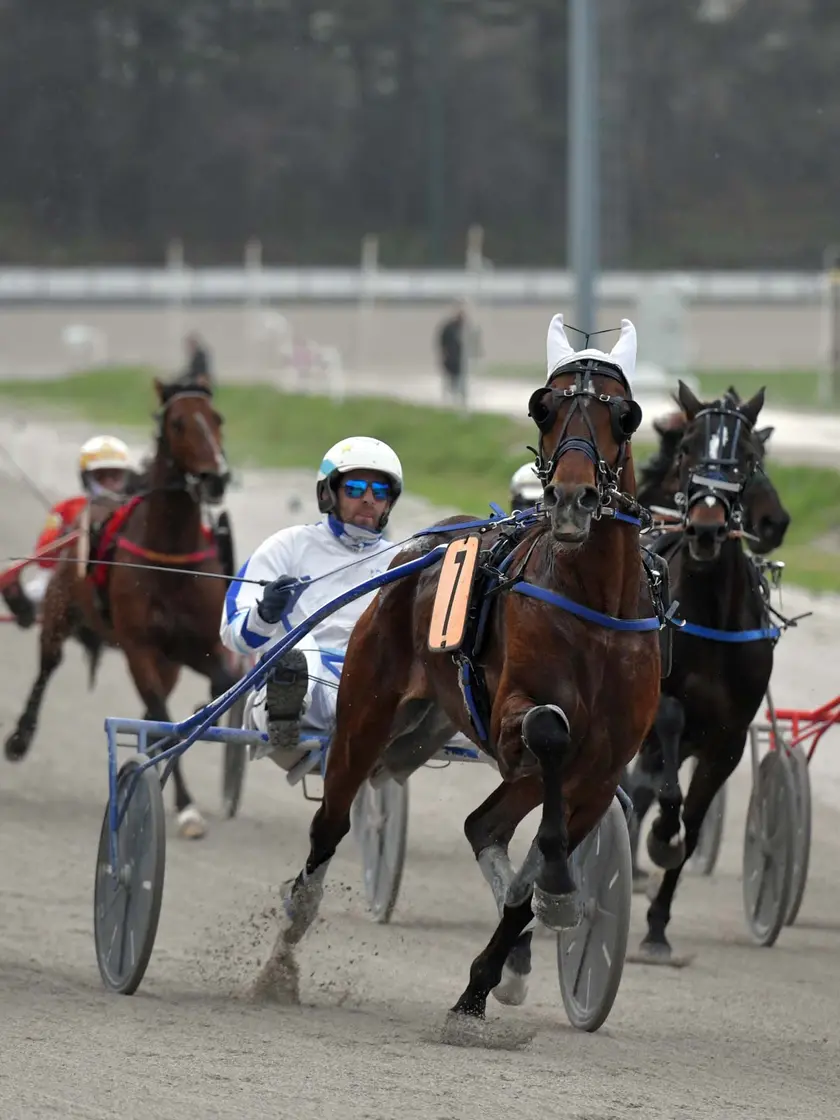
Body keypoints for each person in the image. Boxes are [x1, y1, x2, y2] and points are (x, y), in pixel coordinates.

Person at [220, 436, 404, 764]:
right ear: (328, 493)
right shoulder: (287, 546)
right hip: (298, 702)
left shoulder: (403, 560)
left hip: (372, 692)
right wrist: (263, 614)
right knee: (300, 650)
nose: (368, 500)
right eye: (356, 488)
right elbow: (233, 635)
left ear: (389, 503)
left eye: (379, 492)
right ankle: (286, 706)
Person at [1, 435, 133, 628]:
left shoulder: (135, 510)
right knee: (37, 590)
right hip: (68, 580)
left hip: (122, 581)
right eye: (101, 476)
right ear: (86, 478)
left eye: (115, 476)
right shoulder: (67, 508)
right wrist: (68, 534)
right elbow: (44, 560)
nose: (109, 483)